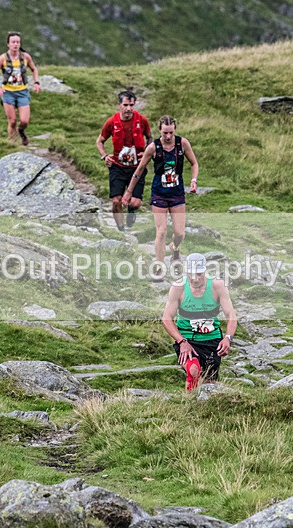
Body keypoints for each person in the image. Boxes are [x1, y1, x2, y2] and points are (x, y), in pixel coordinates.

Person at [123, 115, 198, 280]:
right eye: (165, 133)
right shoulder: (153, 147)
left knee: (180, 234)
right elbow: (140, 169)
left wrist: (193, 180)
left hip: (177, 194)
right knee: (162, 231)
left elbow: (194, 163)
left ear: (174, 130)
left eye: (171, 132)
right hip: (159, 195)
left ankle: (175, 249)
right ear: (160, 131)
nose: (169, 136)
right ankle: (158, 268)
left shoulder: (182, 144)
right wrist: (129, 191)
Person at [162, 253, 237, 391]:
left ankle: (202, 408)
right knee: (193, 371)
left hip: (211, 340)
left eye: (199, 274)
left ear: (205, 271)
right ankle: (188, 407)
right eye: (191, 274)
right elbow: (166, 318)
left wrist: (228, 338)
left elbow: (231, 315)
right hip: (187, 339)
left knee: (209, 384)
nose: (195, 278)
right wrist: (182, 342)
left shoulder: (217, 286)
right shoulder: (178, 287)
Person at [96, 90, 152, 232]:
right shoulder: (111, 122)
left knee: (135, 202)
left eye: (131, 105)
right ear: (119, 105)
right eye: (125, 105)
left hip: (137, 167)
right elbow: (100, 141)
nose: (129, 109)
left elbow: (150, 138)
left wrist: (146, 152)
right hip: (117, 167)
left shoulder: (142, 120)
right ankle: (121, 230)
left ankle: (132, 211)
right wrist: (104, 156)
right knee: (116, 201)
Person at [0, 32, 41, 145]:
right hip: (8, 93)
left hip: (22, 92)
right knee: (12, 122)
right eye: (13, 42)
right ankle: (12, 144)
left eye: (17, 42)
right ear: (8, 44)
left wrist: (36, 82)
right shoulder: (2, 58)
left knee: (24, 121)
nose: (15, 44)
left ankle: (21, 131)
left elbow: (34, 69)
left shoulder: (25, 57)